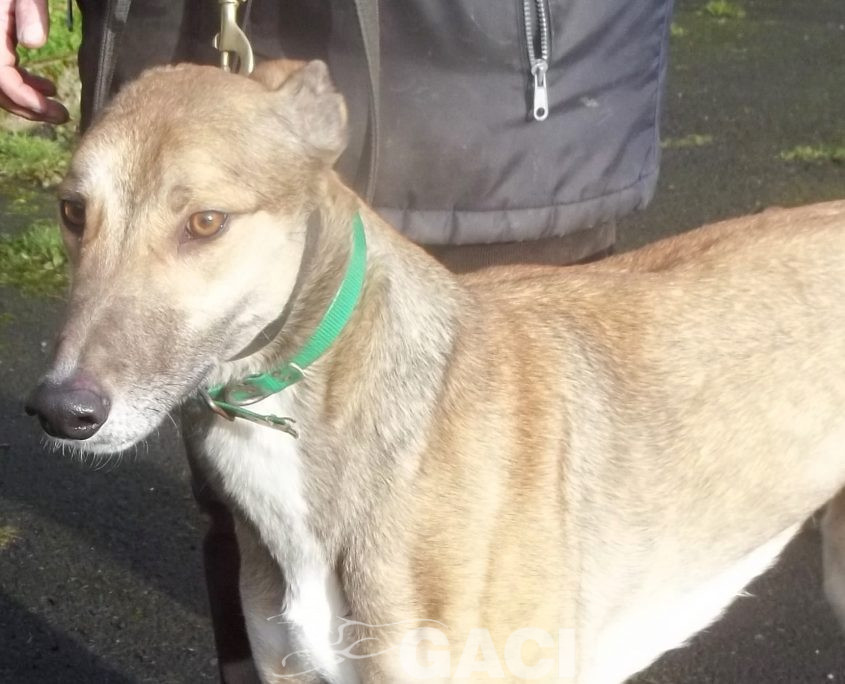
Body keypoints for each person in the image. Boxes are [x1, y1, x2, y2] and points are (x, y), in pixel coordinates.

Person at [2, 1, 674, 680]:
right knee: (245, 531)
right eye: (76, 214)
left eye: (201, 224)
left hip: (493, 97)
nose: (73, 371)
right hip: (186, 27)